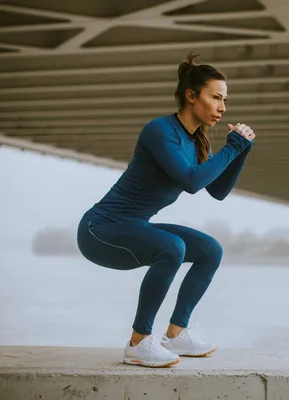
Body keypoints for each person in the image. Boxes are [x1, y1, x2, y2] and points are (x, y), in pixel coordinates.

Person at [76, 53, 255, 368]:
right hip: (99, 231)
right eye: (215, 97)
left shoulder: (198, 143)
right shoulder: (160, 131)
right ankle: (139, 341)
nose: (222, 107)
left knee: (209, 250)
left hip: (133, 226)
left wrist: (240, 152)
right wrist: (233, 147)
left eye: (224, 100)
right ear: (191, 95)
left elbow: (217, 190)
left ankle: (176, 334)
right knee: (172, 247)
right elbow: (190, 181)